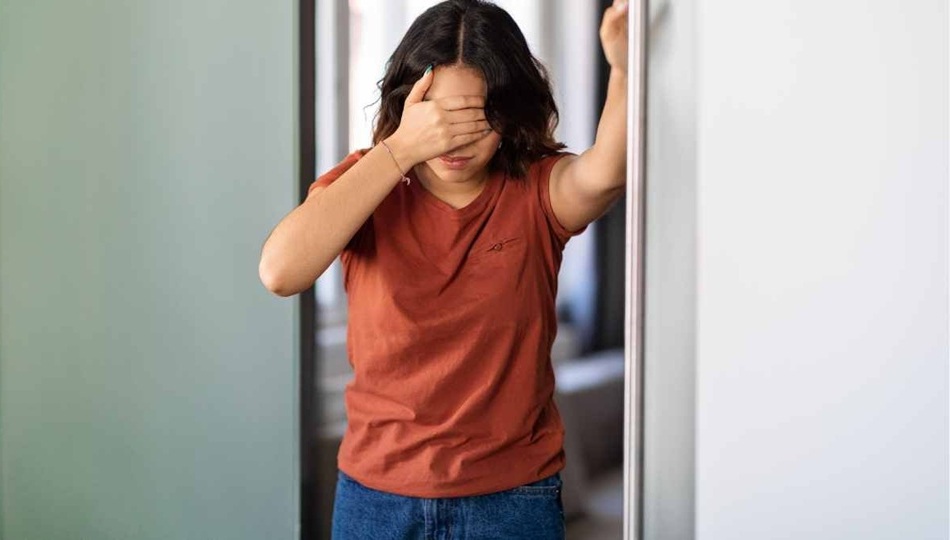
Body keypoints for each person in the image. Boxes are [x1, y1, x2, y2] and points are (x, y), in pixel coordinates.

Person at [259, 0, 628, 537]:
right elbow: (280, 273)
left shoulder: (537, 191)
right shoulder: (366, 186)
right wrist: (402, 148)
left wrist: (622, 68)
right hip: (376, 499)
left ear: (508, 116)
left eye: (475, 121)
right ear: (408, 107)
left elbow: (606, 173)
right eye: (438, 120)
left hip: (512, 501)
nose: (455, 141)